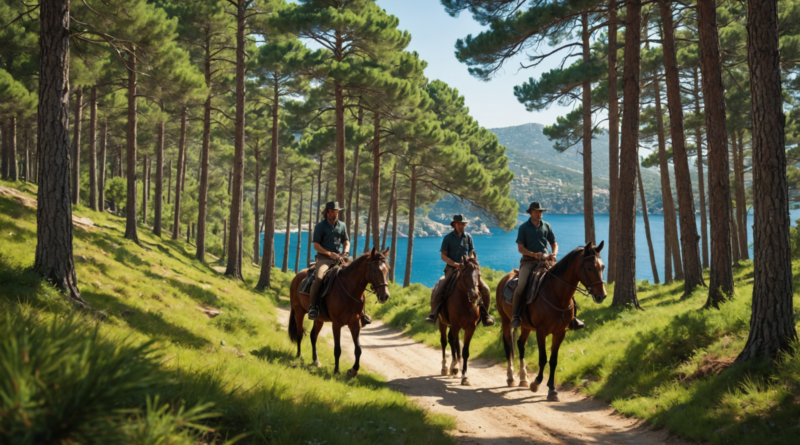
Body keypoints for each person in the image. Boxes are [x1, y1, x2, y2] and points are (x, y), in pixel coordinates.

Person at [511, 202, 584, 330]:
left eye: (541, 212)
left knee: (564, 282)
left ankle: (572, 317)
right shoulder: (524, 228)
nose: (539, 214)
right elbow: (520, 248)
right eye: (536, 212)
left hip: (546, 261)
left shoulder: (547, 226)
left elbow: (554, 243)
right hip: (529, 262)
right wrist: (533, 255)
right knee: (522, 284)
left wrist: (554, 254)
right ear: (530, 212)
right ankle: (515, 315)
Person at [424, 214, 495, 327]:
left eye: (465, 224)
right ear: (455, 224)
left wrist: (470, 260)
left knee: (485, 288)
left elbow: (471, 251)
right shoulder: (448, 238)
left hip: (467, 269)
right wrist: (456, 264)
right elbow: (444, 256)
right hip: (452, 269)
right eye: (462, 224)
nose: (464, 226)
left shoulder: (468, 237)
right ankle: (434, 314)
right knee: (440, 288)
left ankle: (485, 316)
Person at [307, 201, 371, 325]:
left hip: (340, 257)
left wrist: (345, 252)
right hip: (324, 258)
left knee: (358, 275)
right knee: (319, 277)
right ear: (326, 212)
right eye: (332, 212)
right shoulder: (320, 226)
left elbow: (346, 242)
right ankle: (313, 306)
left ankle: (362, 312)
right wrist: (329, 253)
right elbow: (316, 246)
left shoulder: (342, 225)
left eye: (336, 212)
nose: (335, 214)